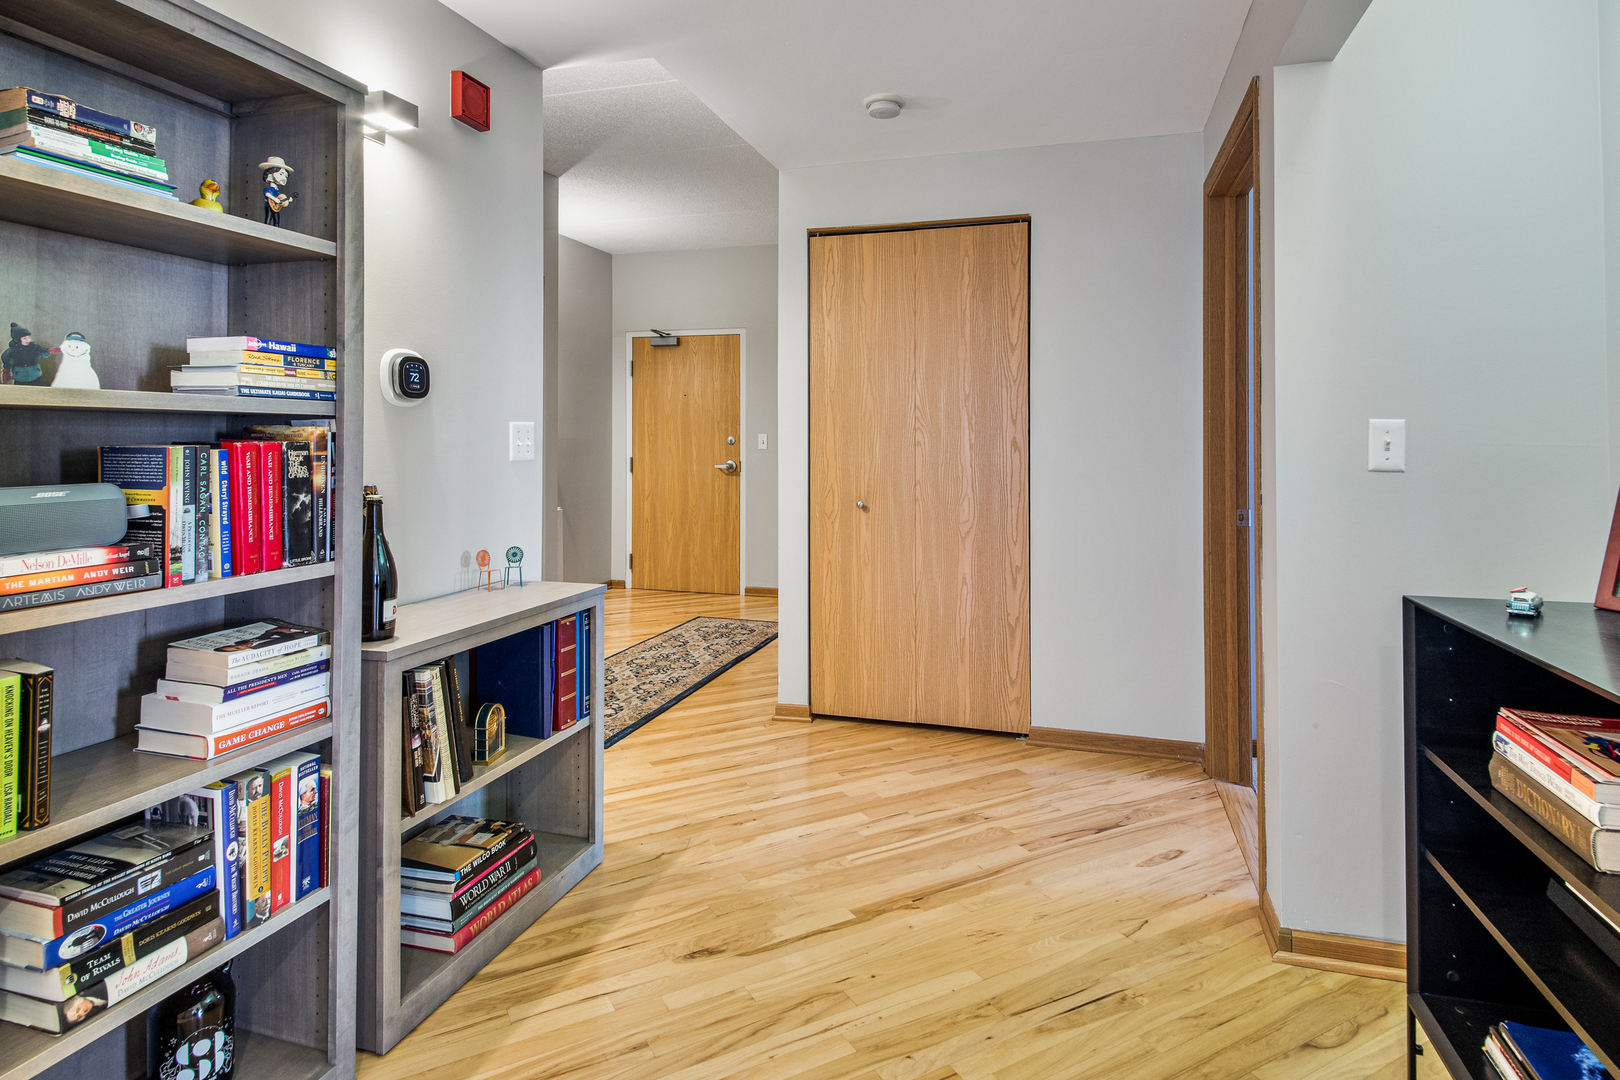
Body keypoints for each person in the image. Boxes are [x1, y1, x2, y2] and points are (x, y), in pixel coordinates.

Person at [260, 156, 295, 226]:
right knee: (268, 218)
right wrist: (274, 199)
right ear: (269, 175)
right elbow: (266, 193)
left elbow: (280, 198)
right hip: (269, 206)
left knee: (276, 220)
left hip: (276, 207)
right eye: (281, 174)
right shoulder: (269, 189)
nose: (284, 178)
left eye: (285, 176)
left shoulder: (277, 191)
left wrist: (287, 199)